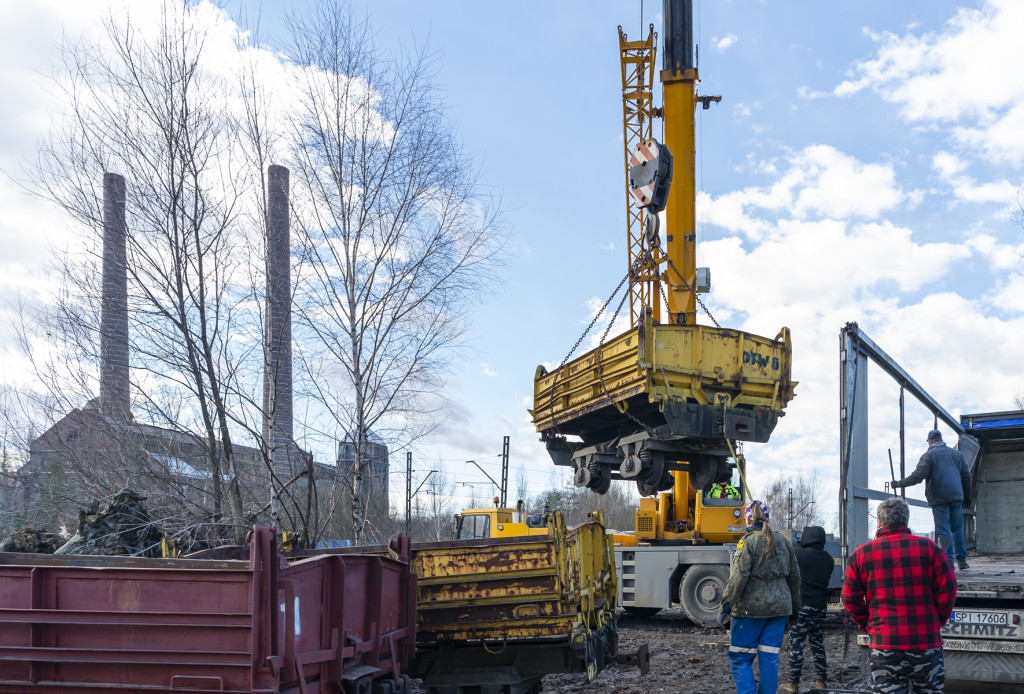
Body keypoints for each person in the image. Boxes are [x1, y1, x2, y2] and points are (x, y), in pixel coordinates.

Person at [842, 496, 956, 694]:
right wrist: (937, 621)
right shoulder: (930, 549)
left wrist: (867, 624)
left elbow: (850, 598)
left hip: (885, 644)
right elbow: (948, 590)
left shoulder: (861, 554)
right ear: (906, 520)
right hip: (926, 642)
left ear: (879, 522)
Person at [719, 500, 801, 694]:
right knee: (769, 658)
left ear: (748, 518)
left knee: (740, 658)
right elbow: (795, 577)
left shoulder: (747, 542)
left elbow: (738, 577)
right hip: (780, 610)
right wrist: (795, 608)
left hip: (749, 610)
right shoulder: (783, 542)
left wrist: (726, 605)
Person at [891, 429, 972, 569]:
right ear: (941, 439)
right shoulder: (957, 455)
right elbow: (966, 477)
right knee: (957, 528)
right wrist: (967, 498)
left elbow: (917, 477)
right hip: (957, 496)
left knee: (943, 529)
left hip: (939, 497)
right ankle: (962, 561)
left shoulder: (928, 456)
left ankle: (948, 562)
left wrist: (899, 484)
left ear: (929, 441)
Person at [781, 526, 834, 694]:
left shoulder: (798, 554)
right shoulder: (828, 559)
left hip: (801, 608)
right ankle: (821, 681)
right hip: (820, 609)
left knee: (797, 645)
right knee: (817, 644)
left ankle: (793, 684)